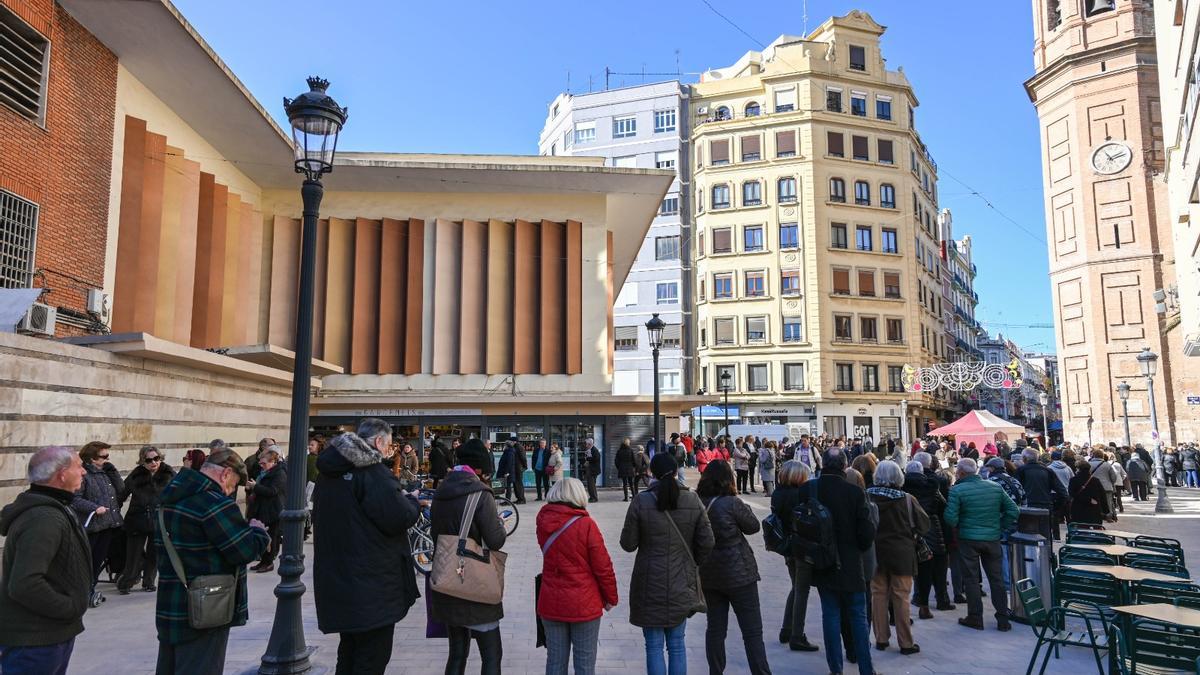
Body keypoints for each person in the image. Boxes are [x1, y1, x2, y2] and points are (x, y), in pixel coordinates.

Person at [312, 419, 421, 675]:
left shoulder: (330, 473)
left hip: (339, 579)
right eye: (389, 444)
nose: (389, 450)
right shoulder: (370, 473)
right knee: (372, 657)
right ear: (379, 442)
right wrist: (413, 503)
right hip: (372, 584)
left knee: (349, 651)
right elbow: (398, 517)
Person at [155, 446, 269, 674]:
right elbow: (244, 551)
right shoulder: (213, 503)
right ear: (225, 473)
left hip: (172, 600)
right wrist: (258, 532)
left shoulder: (171, 497)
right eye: (233, 484)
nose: (230, 491)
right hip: (206, 605)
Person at [620, 454, 714, 675]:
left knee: (653, 647)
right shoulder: (692, 500)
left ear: (651, 473)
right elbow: (708, 541)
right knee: (677, 645)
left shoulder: (642, 501)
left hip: (649, 582)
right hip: (681, 580)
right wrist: (693, 562)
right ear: (675, 472)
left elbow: (628, 544)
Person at [0, 447, 91, 675]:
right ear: (61, 474)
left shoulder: (54, 509)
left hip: (49, 636)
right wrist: (70, 607)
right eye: (78, 466)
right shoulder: (44, 518)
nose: (83, 472)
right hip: (34, 641)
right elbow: (25, 583)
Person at [430, 439, 507, 675]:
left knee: (457, 653)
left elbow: (436, 535)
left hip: (447, 582)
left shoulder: (441, 492)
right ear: (480, 469)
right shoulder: (481, 495)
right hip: (475, 585)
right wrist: (500, 525)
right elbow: (495, 540)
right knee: (491, 655)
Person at [536, 478, 618, 675]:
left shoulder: (543, 520)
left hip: (551, 601)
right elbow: (603, 567)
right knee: (585, 663)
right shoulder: (587, 525)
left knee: (555, 662)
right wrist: (611, 597)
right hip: (584, 603)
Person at [696, 460, 771, 674]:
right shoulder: (731, 503)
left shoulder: (697, 502)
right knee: (752, 631)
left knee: (716, 630)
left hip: (710, 573)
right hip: (740, 574)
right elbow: (753, 527)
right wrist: (743, 504)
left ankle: (716, 671)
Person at [812, 449, 877, 675]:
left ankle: (835, 669)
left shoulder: (810, 490)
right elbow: (866, 535)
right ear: (843, 466)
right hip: (851, 563)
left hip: (822, 562)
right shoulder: (855, 493)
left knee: (830, 615)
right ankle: (866, 668)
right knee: (858, 616)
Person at [943, 457, 1018, 632]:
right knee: (996, 579)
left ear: (960, 473)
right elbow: (1013, 510)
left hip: (968, 538)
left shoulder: (957, 490)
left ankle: (975, 617)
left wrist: (960, 525)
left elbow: (950, 518)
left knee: (971, 579)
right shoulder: (994, 487)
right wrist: (1001, 526)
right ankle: (1002, 618)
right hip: (992, 537)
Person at [867, 460, 928, 655]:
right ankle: (906, 642)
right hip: (902, 554)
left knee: (878, 596)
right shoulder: (908, 499)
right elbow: (924, 525)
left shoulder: (867, 497)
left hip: (875, 553)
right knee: (901, 597)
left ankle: (881, 638)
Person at [772, 460, 819, 652]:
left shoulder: (778, 493)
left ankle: (787, 628)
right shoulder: (797, 495)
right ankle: (797, 635)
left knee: (796, 587)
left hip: (787, 546)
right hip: (800, 546)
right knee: (802, 590)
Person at [71, 440, 124, 607]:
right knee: (89, 562)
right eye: (104, 456)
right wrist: (95, 508)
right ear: (92, 458)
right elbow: (75, 499)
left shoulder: (105, 472)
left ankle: (90, 590)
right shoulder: (84, 474)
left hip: (107, 525)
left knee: (98, 560)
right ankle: (83, 592)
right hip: (92, 527)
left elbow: (121, 490)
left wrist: (113, 471)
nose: (107, 459)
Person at [117, 445, 175, 594]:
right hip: (137, 519)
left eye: (156, 459)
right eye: (149, 460)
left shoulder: (169, 474)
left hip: (159, 519)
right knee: (133, 554)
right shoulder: (136, 475)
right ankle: (127, 582)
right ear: (142, 461)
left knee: (154, 554)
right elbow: (122, 494)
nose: (153, 463)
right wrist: (114, 511)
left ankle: (148, 582)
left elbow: (179, 494)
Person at [904, 459, 952, 617]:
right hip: (931, 528)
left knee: (917, 567)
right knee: (938, 565)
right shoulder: (932, 486)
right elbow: (943, 506)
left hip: (910, 529)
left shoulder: (902, 486)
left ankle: (918, 598)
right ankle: (942, 599)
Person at [246, 447, 286, 573]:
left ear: (273, 462)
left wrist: (255, 487)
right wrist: (252, 487)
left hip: (272, 510)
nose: (261, 466)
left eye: (264, 463)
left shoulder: (279, 473)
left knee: (271, 537)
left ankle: (268, 562)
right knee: (262, 534)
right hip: (261, 508)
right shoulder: (266, 473)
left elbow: (272, 491)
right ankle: (263, 561)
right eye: (260, 463)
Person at [1016, 447, 1068, 539]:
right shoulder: (1047, 471)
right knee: (1045, 537)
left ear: (1024, 459)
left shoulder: (1021, 471)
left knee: (1028, 538)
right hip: (1045, 508)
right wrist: (1055, 507)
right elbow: (1063, 493)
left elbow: (1016, 491)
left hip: (1027, 509)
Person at [581, 438, 601, 503]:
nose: (586, 445)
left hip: (593, 470)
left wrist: (588, 458)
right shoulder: (590, 450)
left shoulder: (594, 450)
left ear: (589, 444)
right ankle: (592, 497)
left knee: (591, 484)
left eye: (586, 444)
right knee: (590, 484)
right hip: (591, 469)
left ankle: (594, 498)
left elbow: (596, 459)